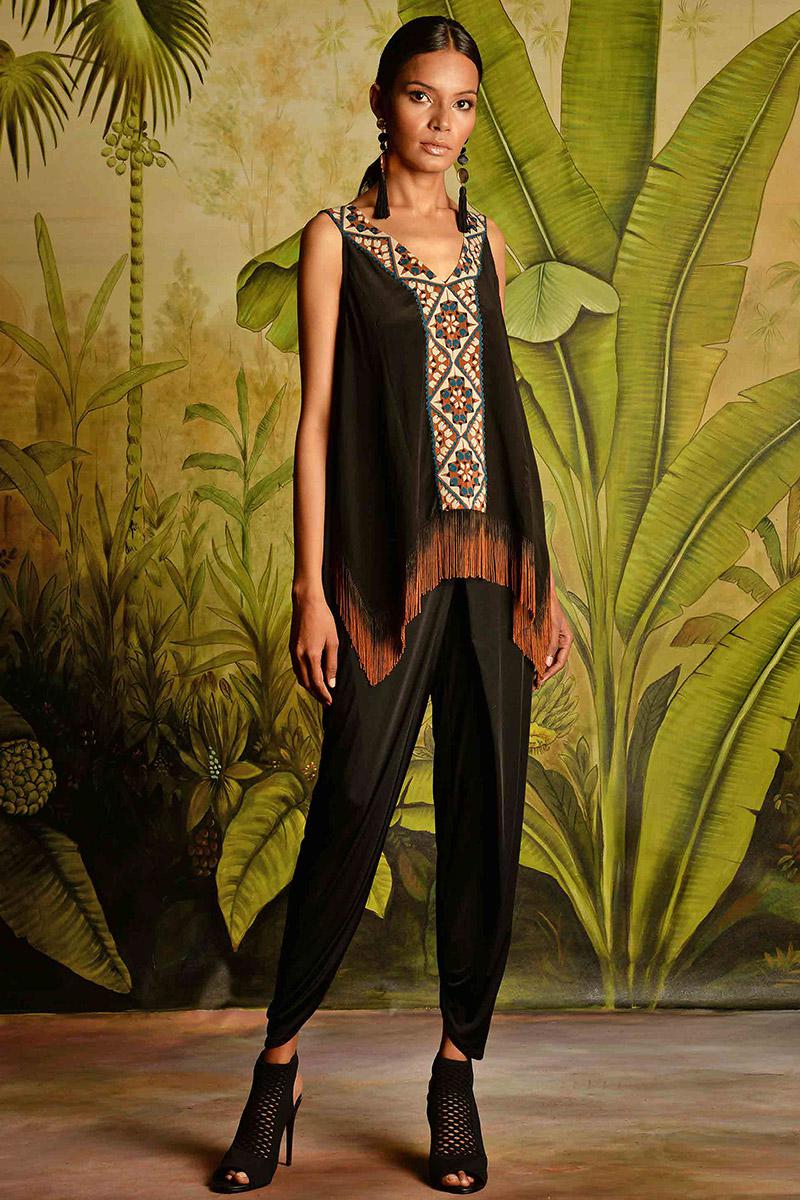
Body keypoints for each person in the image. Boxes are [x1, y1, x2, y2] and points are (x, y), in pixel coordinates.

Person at [210, 14, 572, 1196]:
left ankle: (454, 1074)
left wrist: (542, 578)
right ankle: (277, 1072)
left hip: (495, 567)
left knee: (485, 813)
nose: (441, 123)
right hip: (382, 574)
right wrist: (309, 591)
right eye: (421, 97)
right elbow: (316, 425)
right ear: (380, 102)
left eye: (461, 104)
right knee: (353, 795)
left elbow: (505, 416)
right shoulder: (336, 242)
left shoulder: (487, 244)